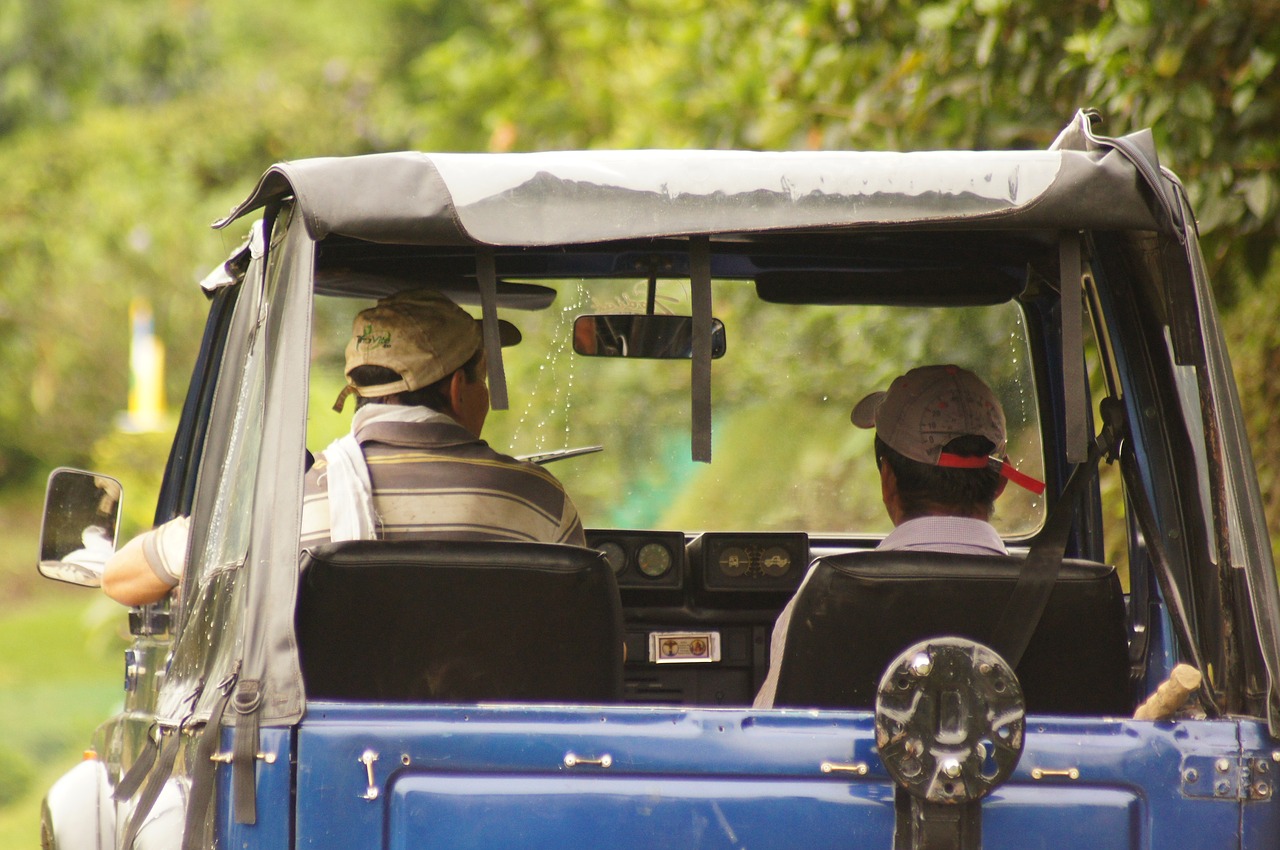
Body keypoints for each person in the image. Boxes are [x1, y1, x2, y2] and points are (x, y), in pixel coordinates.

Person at [102, 289, 585, 606]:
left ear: (358, 390)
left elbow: (120, 580)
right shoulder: (538, 501)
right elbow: (594, 645)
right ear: (459, 389)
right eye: (481, 377)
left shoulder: (285, 506)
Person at [752, 364, 1043, 708]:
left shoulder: (827, 595)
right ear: (1001, 482)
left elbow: (774, 740)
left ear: (887, 479)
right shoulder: (1060, 599)